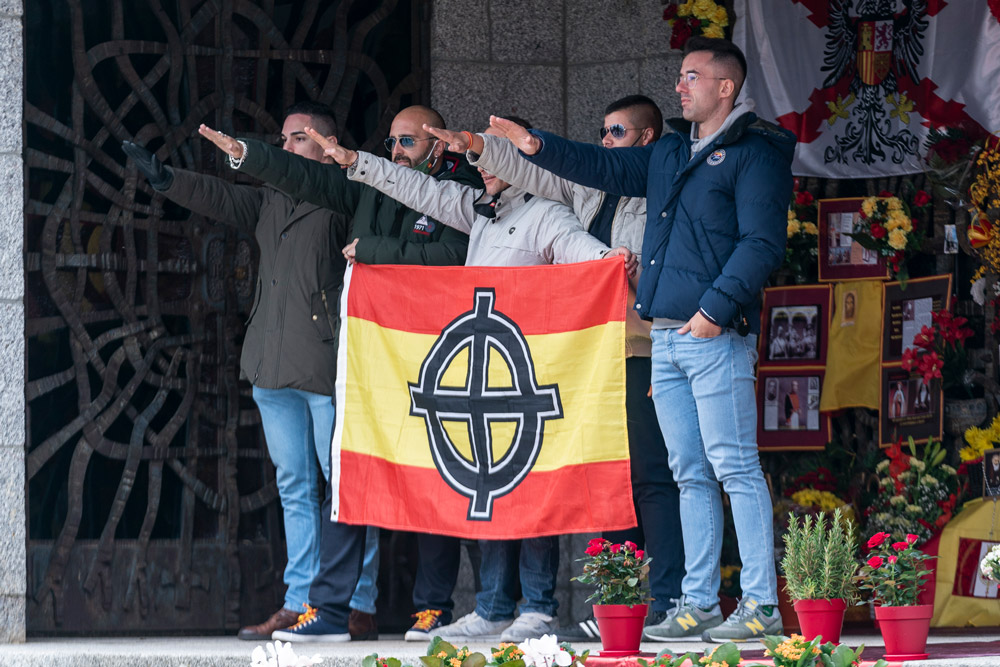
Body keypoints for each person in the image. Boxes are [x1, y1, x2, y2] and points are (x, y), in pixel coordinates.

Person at [490, 36, 795, 642]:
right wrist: (534, 145)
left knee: (735, 467)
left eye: (691, 76)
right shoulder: (671, 153)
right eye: (680, 76)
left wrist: (713, 310)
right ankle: (700, 601)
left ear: (725, 87)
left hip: (712, 335)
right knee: (688, 473)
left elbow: (762, 244)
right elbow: (600, 166)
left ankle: (761, 605)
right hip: (665, 337)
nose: (679, 85)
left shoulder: (754, 152)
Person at [300, 116, 636, 643]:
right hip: (483, 378)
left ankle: (538, 607)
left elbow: (581, 253)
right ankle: (494, 606)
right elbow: (422, 189)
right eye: (481, 161)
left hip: (526, 379)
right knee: (493, 496)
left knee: (532, 496)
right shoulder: (480, 212)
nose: (482, 170)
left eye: (493, 160)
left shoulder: (548, 215)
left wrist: (609, 260)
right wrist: (359, 164)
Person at [197, 105, 483, 643]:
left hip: (439, 355)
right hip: (375, 352)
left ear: (439, 145)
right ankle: (328, 608)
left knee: (436, 481)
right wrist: (244, 154)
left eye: (408, 143)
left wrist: (373, 250)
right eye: (391, 142)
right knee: (346, 482)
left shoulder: (460, 188)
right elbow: (304, 176)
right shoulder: (366, 184)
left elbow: (452, 253)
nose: (396, 152)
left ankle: (438, 604)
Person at [425, 95, 685, 637]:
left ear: (646, 139)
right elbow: (530, 166)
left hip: (644, 346)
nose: (605, 141)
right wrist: (481, 147)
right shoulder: (587, 189)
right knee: (606, 481)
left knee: (651, 478)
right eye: (602, 132)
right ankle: (617, 606)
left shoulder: (667, 189)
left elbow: (629, 260)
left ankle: (667, 599)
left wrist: (619, 270)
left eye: (616, 132)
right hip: (592, 354)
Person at [121, 102, 380, 641]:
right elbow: (218, 197)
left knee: (347, 485)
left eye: (297, 140)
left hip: (328, 363)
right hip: (270, 363)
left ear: (327, 145)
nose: (286, 148)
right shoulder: (270, 200)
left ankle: (357, 600)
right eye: (282, 141)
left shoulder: (346, 193)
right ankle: (301, 599)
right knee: (294, 486)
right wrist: (167, 179)